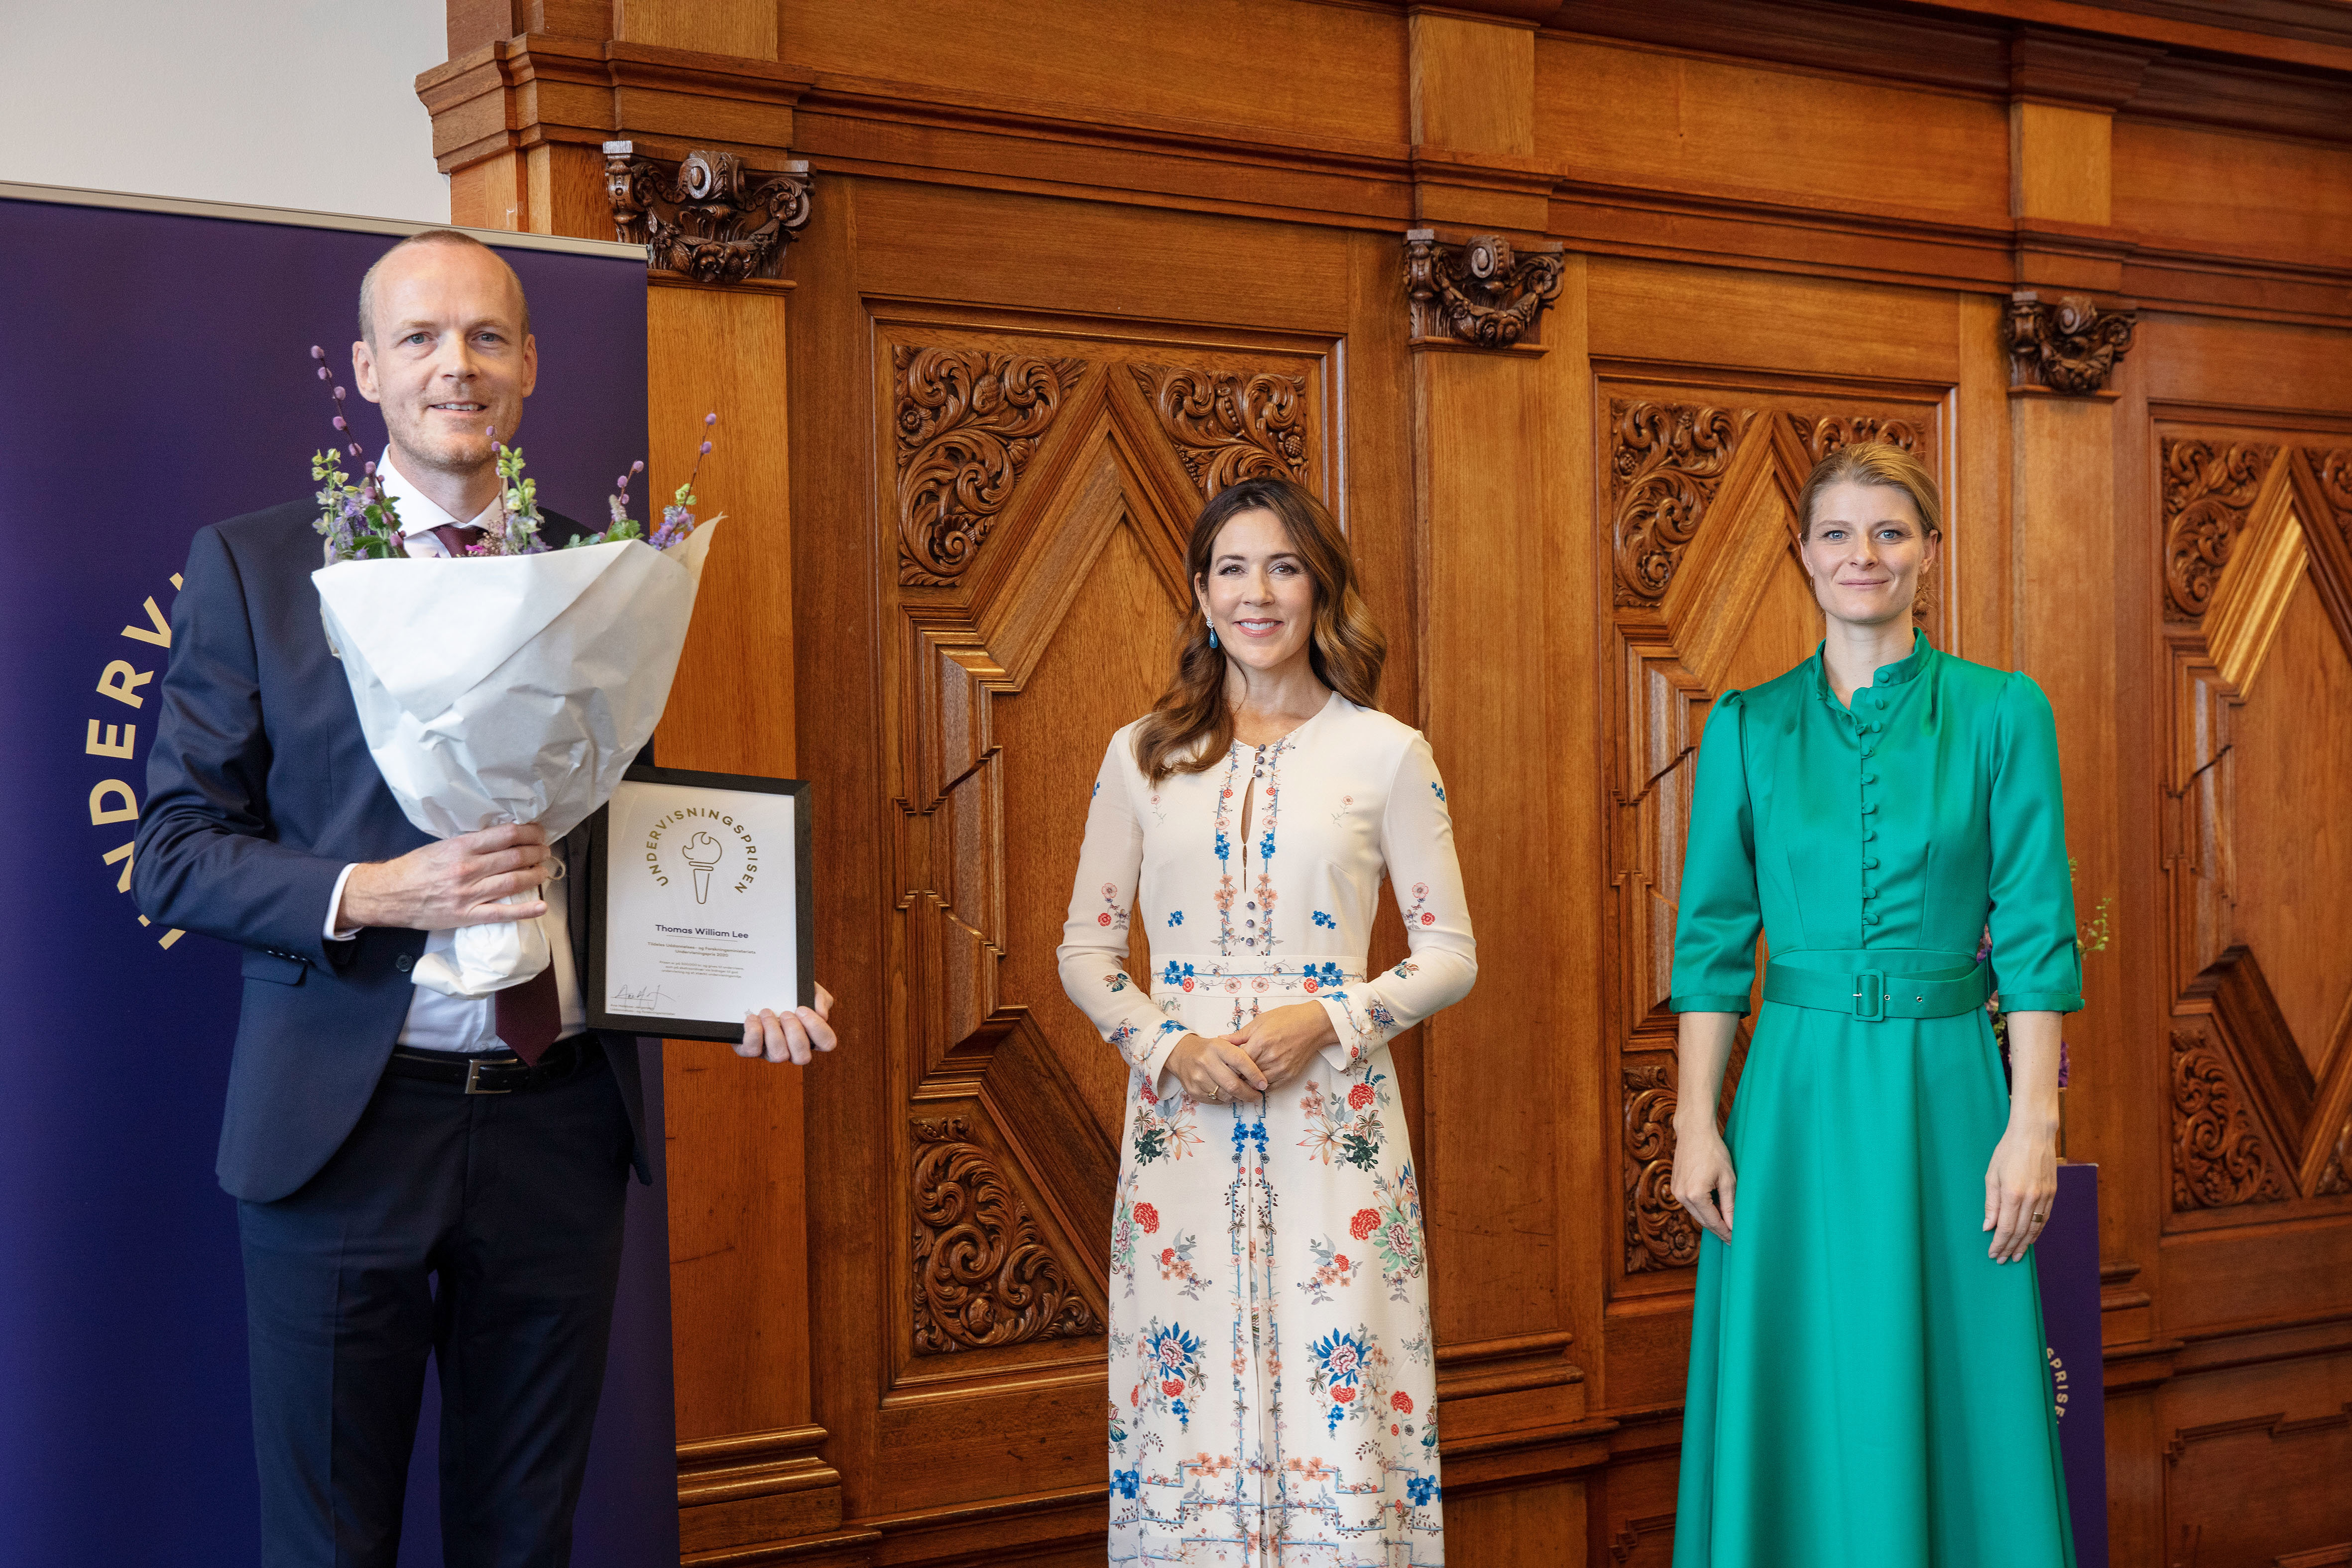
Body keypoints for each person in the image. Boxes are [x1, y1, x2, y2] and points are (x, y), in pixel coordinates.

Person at [133, 228, 837, 1568]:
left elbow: (630, 823)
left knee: (525, 1540)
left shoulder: (609, 570)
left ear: (529, 365)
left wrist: (746, 967)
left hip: (558, 1124)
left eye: (486, 337)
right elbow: (172, 848)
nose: (455, 364)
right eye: (419, 337)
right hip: (343, 1132)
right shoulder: (258, 566)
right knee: (328, 1546)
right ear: (365, 369)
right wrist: (375, 889)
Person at [1665, 441, 2079, 1566]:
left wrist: (2032, 1123)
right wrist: (1696, 1120)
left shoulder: (2004, 712)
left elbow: (2035, 935)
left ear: (1929, 553)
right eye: (1838, 534)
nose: (1865, 555)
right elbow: (1712, 946)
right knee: (1800, 1364)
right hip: (1791, 1100)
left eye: (1891, 532)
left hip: (1951, 1091)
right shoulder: (1744, 726)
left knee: (1957, 1364)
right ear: (1805, 556)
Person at [1058, 477, 1475, 1563]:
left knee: (1344, 1381)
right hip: (1180, 1131)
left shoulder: (1387, 752)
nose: (1258, 594)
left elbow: (1449, 954)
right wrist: (1170, 1047)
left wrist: (1328, 1019)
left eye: (1284, 567)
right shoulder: (1141, 754)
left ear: (1320, 590)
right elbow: (1085, 953)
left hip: (1335, 1125)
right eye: (1233, 569)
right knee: (1185, 1387)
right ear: (1202, 594)